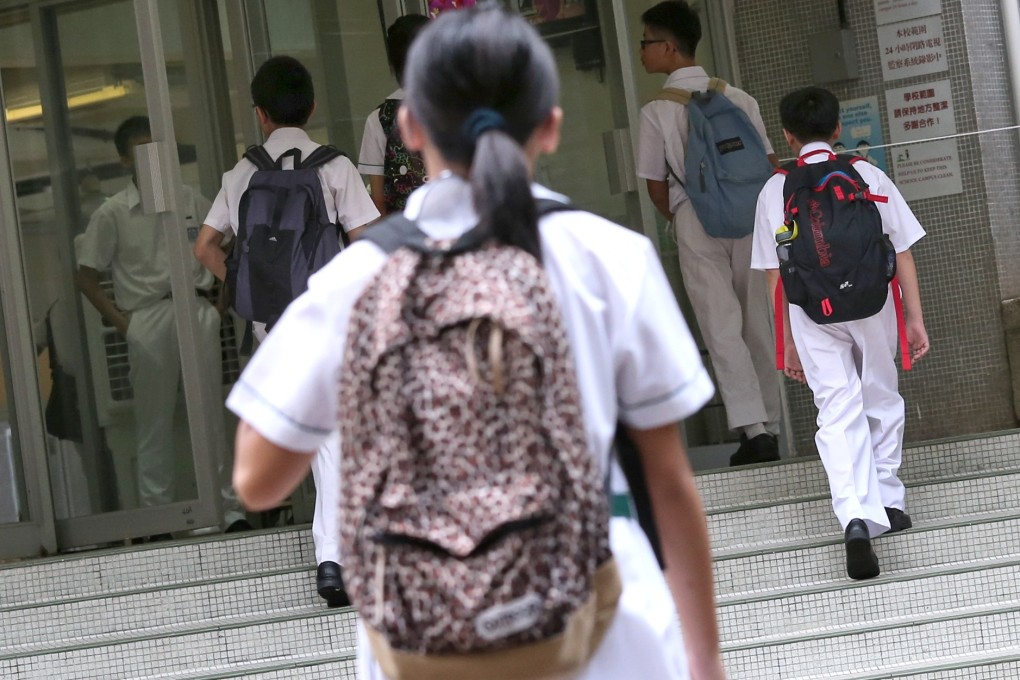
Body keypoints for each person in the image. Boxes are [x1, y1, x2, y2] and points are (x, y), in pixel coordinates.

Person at [228, 6, 725, 679]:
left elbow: (257, 480)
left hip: (422, 639)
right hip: (601, 633)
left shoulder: (356, 278)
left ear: (408, 126)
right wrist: (705, 660)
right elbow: (668, 483)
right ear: (549, 124)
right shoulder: (611, 257)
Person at [193, 56, 379, 606]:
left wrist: (246, 284)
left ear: (260, 113)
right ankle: (333, 558)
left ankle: (336, 553)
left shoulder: (242, 172)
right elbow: (367, 243)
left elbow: (204, 246)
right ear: (313, 106)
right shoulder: (336, 167)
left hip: (271, 320)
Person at [751, 86, 930, 579]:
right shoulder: (866, 174)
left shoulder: (774, 190)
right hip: (873, 302)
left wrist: (785, 342)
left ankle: (854, 514)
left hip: (811, 310)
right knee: (879, 392)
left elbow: (774, 277)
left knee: (836, 408)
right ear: (837, 130)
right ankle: (889, 501)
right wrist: (913, 318)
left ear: (787, 135)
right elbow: (905, 251)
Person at [75, 115, 248, 536]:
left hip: (196, 309)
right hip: (147, 316)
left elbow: (227, 244)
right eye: (141, 150)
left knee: (209, 413)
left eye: (157, 148)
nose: (152, 158)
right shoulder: (113, 211)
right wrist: (124, 324)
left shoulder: (190, 199)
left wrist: (220, 303)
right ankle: (159, 517)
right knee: (153, 421)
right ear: (124, 159)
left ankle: (226, 511)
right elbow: (85, 274)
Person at [636, 0, 783, 466]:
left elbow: (655, 185)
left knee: (720, 326)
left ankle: (753, 429)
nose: (641, 53)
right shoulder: (740, 99)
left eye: (645, 43)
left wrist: (681, 216)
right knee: (756, 321)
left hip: (696, 221)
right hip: (751, 218)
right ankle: (773, 425)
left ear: (668, 47)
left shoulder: (656, 111)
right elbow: (769, 164)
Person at [357, 13, 430, 215]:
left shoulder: (380, 118)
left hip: (404, 235)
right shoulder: (461, 108)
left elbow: (378, 201)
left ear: (393, 65)